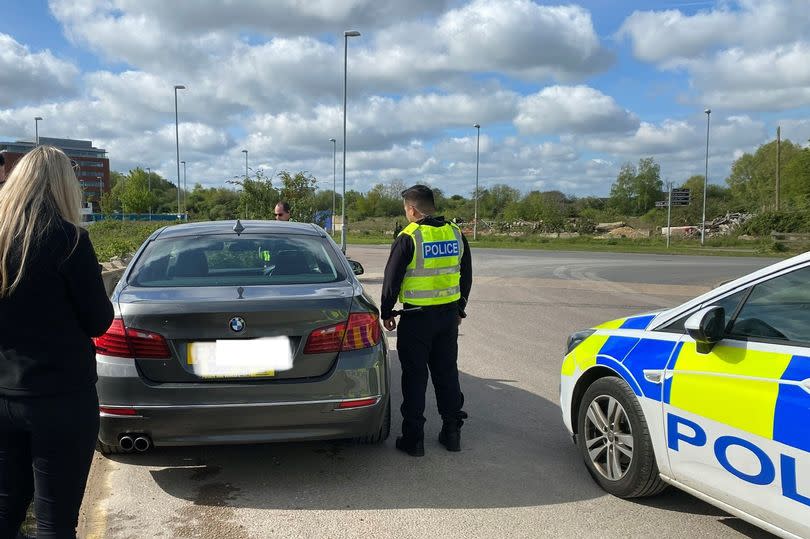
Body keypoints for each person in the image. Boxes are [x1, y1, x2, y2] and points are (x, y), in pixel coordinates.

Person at [0, 146, 114, 539]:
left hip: (3, 396)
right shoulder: (69, 240)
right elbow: (99, 322)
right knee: (54, 523)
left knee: (5, 512)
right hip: (61, 400)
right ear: (64, 185)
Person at [381, 185, 472, 457]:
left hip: (417, 319)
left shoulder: (409, 237)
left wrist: (386, 312)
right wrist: (460, 309)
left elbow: (391, 279)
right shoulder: (456, 234)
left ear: (412, 209)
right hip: (447, 318)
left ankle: (414, 439)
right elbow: (465, 276)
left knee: (415, 377)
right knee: (446, 374)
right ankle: (452, 432)